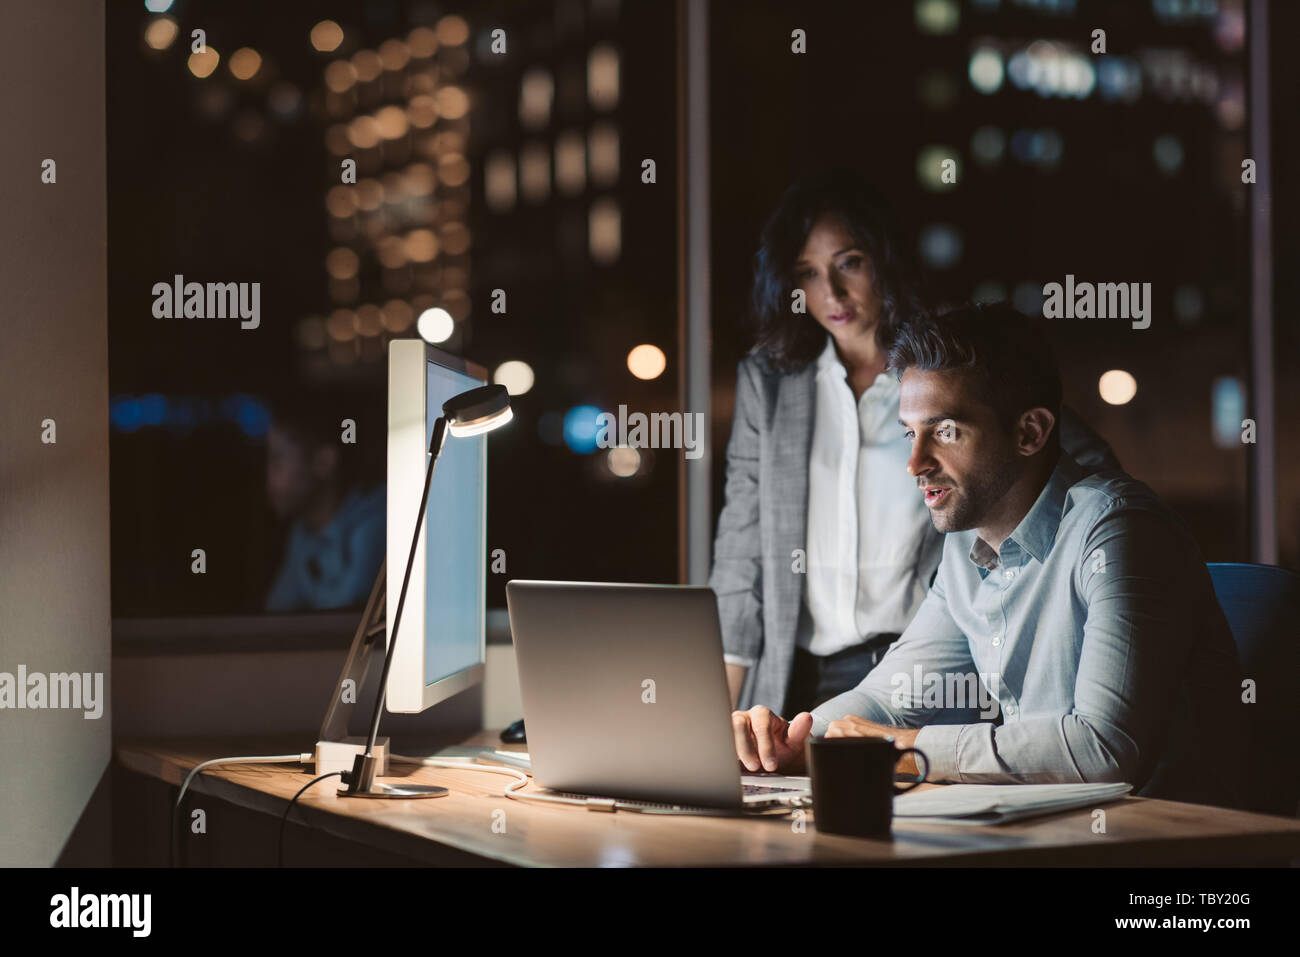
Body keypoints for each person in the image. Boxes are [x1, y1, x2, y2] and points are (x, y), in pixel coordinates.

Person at [730, 303, 1246, 809]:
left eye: (945, 431)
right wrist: (795, 737)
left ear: (1030, 432)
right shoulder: (966, 548)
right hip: (1055, 836)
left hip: (1175, 841)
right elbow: (888, 699)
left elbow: (1103, 749)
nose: (914, 463)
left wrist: (901, 749)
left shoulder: (1120, 532)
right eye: (910, 433)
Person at [710, 168, 1117, 716]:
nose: (830, 293)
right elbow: (741, 552)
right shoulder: (771, 382)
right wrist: (716, 713)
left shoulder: (946, 362)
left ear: (884, 258)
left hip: (926, 667)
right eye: (807, 273)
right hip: (794, 676)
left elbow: (1075, 460)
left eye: (849, 263)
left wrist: (1064, 578)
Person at [263, 388, 385, 612]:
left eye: (278, 460)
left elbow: (351, 614)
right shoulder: (303, 534)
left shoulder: (375, 520)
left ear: (324, 463)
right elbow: (277, 612)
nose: (269, 477)